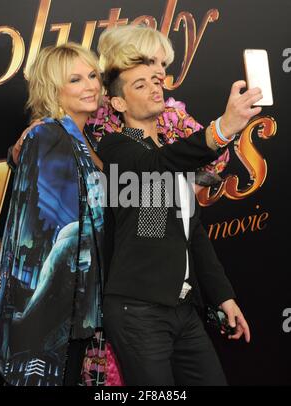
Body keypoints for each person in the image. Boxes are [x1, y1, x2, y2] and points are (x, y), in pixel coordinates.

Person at [96, 45, 262, 385]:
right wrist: (222, 129)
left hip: (183, 310)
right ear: (118, 104)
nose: (155, 88)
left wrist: (224, 297)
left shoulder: (165, 153)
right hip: (137, 310)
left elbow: (193, 235)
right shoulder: (116, 147)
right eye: (139, 85)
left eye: (155, 81)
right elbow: (152, 167)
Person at [0, 43, 106, 386]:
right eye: (75, 79)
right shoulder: (49, 135)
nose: (90, 85)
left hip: (73, 310)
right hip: (55, 314)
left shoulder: (84, 140)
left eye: (93, 75)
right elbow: (58, 229)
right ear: (53, 88)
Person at [11, 25, 229, 188]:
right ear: (125, 61)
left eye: (163, 64)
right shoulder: (91, 114)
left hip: (144, 233)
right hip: (98, 238)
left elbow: (212, 156)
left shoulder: (169, 114)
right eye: (152, 62)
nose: (161, 72)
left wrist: (185, 193)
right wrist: (19, 152)